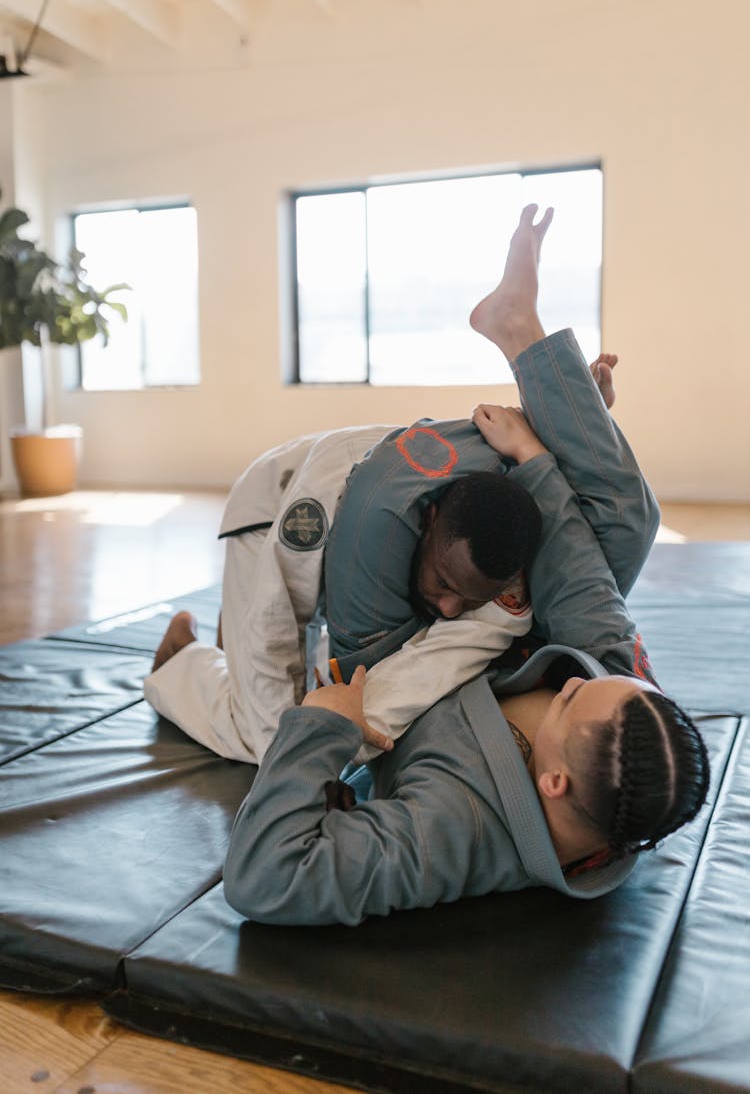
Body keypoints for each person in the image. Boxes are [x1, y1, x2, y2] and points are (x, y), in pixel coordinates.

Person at [220, 207, 710, 926]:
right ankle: (521, 335)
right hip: (496, 619)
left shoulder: (457, 831)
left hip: (388, 664)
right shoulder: (621, 710)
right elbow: (583, 587)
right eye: (601, 681)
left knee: (373, 520)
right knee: (630, 520)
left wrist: (323, 729)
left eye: (572, 698)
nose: (580, 678)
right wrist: (538, 460)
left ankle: (178, 671)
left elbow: (267, 879)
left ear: (550, 780)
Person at [145, 207, 648, 768]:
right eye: (443, 582)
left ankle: (223, 647)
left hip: (363, 529)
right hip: (269, 510)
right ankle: (181, 661)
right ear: (429, 520)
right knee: (270, 738)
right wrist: (294, 721)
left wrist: (588, 409)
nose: (451, 606)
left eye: (471, 596)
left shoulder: (504, 494)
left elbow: (443, 655)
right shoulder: (329, 510)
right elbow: (274, 616)